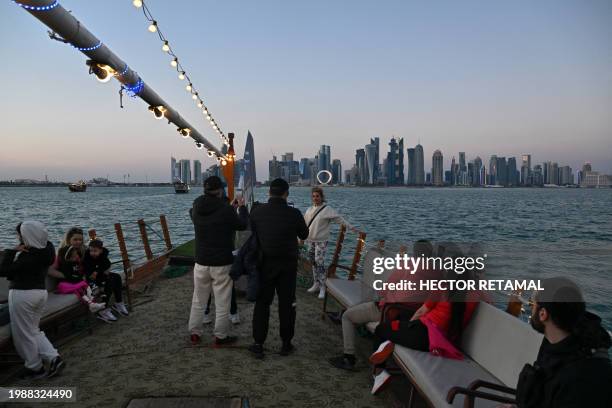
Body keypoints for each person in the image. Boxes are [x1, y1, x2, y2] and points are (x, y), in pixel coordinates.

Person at [368, 267, 479, 395]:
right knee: (397, 327)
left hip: (421, 334)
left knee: (382, 328)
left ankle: (379, 373)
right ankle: (389, 342)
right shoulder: (474, 295)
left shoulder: (443, 287)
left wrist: (408, 326)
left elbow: (422, 311)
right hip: (440, 344)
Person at [328, 240, 434, 371]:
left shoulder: (407, 266)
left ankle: (348, 357)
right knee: (364, 306)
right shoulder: (437, 273)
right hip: (410, 318)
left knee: (347, 316)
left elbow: (385, 289)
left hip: (389, 312)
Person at [511, 277, 611, 408]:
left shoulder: (582, 380)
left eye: (534, 305)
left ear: (543, 314)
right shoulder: (554, 343)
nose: (531, 308)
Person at [248, 178, 309, 359]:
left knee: (262, 304)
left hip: (264, 265)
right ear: (286, 193)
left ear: (269, 193)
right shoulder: (294, 213)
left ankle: (258, 343)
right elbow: (304, 234)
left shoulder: (258, 212)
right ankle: (286, 344)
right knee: (287, 305)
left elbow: (251, 230)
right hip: (288, 266)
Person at [188, 176, 248, 346]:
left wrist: (229, 210)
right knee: (223, 301)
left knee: (198, 299)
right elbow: (242, 225)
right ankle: (220, 337)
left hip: (201, 261)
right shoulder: (225, 209)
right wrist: (241, 208)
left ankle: (194, 333)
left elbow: (195, 215)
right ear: (220, 190)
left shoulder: (197, 205)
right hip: (222, 262)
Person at [0, 221, 65, 379]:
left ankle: (35, 368)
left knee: (23, 334)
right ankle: (53, 358)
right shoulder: (47, 249)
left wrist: (11, 251)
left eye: (21, 235)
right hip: (40, 293)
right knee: (33, 330)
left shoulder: (27, 257)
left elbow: (3, 271)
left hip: (23, 295)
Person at [303, 187, 357, 299]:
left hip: (321, 241)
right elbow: (304, 225)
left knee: (320, 263)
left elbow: (339, 219)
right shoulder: (309, 210)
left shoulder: (327, 209)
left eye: (317, 196)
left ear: (322, 197)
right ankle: (316, 283)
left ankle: (323, 287)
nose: (315, 198)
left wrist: (351, 227)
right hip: (310, 240)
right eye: (313, 196)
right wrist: (300, 237)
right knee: (313, 262)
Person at [83, 238, 128, 323]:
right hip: (91, 280)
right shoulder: (87, 257)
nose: (92, 253)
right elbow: (90, 272)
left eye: (95, 251)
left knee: (117, 276)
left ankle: (118, 302)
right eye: (91, 251)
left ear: (101, 250)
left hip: (100, 275)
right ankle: (103, 309)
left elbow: (107, 264)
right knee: (109, 281)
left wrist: (97, 270)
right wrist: (98, 271)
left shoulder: (103, 255)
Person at [56, 245, 105, 313]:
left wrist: (81, 277)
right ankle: (91, 304)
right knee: (79, 288)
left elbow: (77, 273)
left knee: (85, 286)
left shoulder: (75, 263)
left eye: (76, 254)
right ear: (68, 257)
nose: (76, 256)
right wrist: (79, 279)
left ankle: (93, 303)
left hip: (73, 283)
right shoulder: (65, 265)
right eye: (74, 255)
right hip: (65, 285)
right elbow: (68, 276)